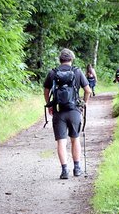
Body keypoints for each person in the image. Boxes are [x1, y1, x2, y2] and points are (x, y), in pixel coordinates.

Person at [43, 48, 91, 179]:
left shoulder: (53, 73)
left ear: (60, 59)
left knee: (61, 142)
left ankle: (64, 170)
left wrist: (49, 105)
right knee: (75, 139)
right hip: (74, 110)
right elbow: (88, 90)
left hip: (59, 111)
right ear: (72, 59)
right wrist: (83, 103)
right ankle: (77, 168)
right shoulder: (77, 72)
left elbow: (46, 91)